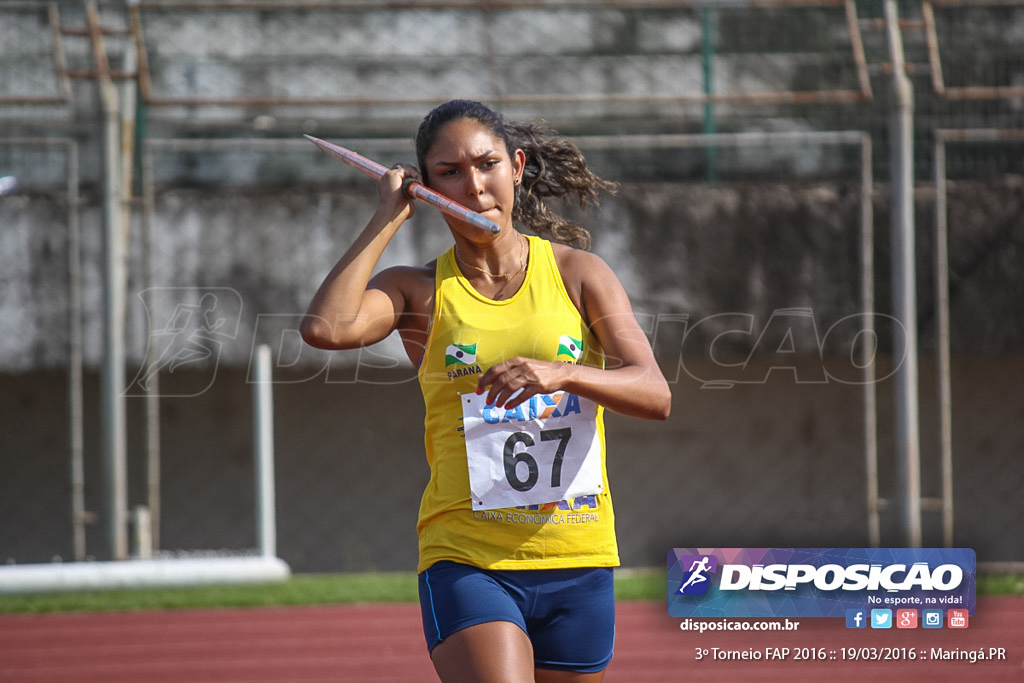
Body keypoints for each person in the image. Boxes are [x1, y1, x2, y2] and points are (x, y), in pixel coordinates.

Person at [301, 99, 671, 683]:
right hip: (469, 558)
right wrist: (387, 219)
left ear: (516, 167)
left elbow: (654, 392)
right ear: (424, 186)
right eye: (448, 172)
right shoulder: (417, 290)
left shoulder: (580, 275)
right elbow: (326, 328)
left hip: (580, 557)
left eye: (486, 163)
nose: (473, 186)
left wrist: (564, 373)